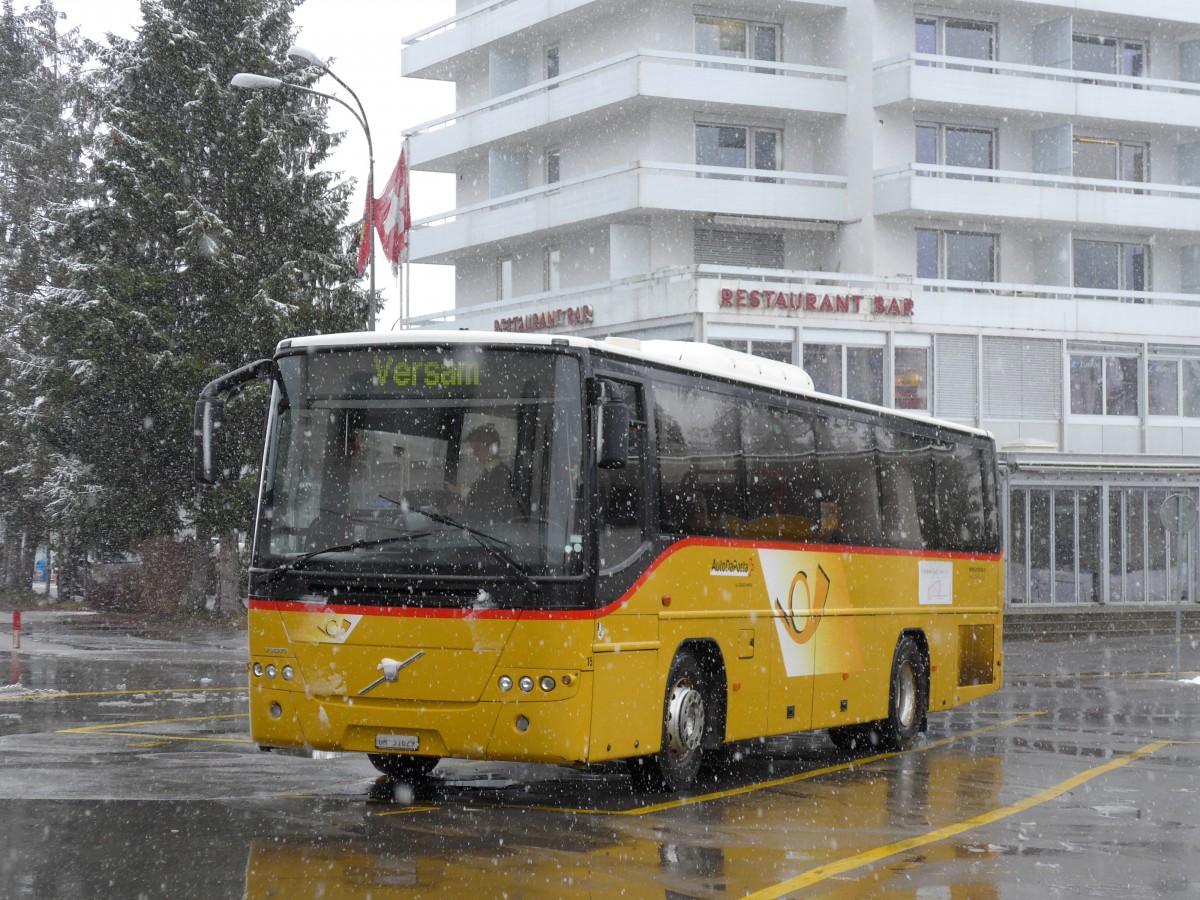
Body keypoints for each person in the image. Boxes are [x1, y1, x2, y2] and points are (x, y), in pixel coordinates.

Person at [454, 423, 522, 526]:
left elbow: (492, 513)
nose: (474, 453)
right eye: (473, 449)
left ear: (491, 449)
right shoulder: (491, 472)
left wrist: (462, 509)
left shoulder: (500, 474)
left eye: (478, 448)